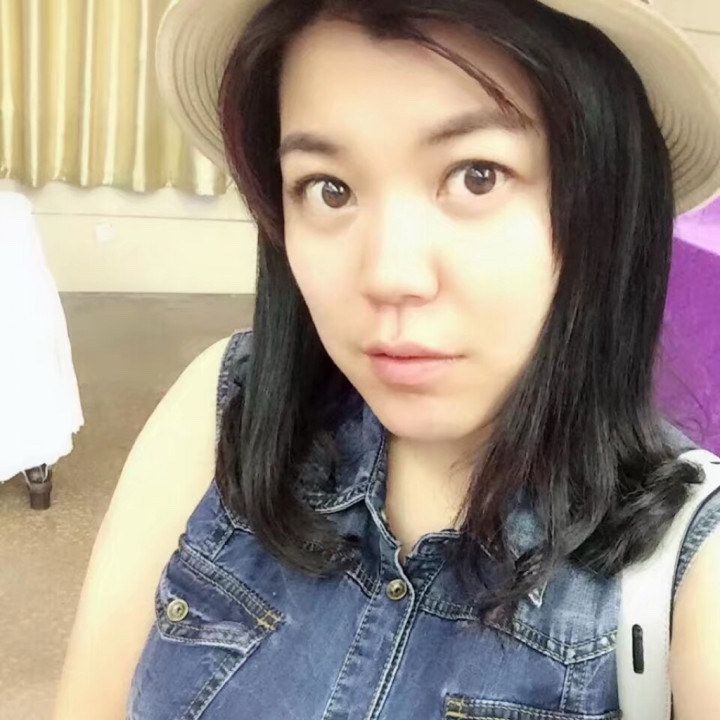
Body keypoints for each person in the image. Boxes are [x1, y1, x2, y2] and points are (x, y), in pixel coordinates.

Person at [53, 1, 720, 718]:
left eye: (478, 176)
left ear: (605, 205)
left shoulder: (690, 575)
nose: (388, 275)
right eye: (329, 188)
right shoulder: (221, 411)